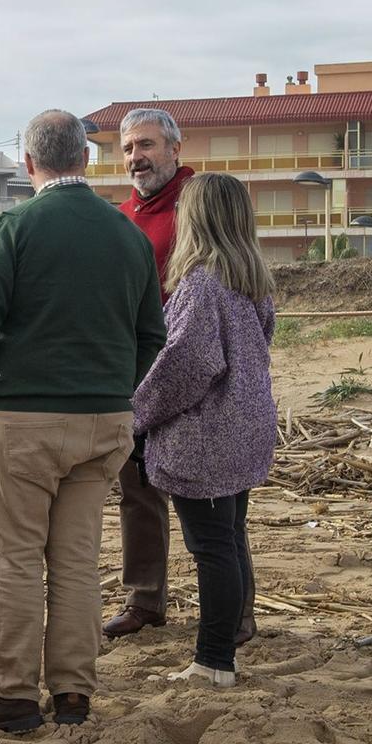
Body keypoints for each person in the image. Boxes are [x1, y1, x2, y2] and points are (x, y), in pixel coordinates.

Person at [0, 110, 165, 732]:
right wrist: (117, 389)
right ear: (88, 160)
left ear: (28, 162)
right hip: (103, 421)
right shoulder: (125, 232)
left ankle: (14, 692)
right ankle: (73, 691)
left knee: (16, 557)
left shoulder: (17, 224)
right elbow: (152, 333)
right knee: (76, 560)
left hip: (25, 416)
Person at [132, 173, 277, 688]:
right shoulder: (250, 279)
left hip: (208, 436)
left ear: (196, 219)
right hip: (246, 425)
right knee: (229, 540)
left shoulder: (201, 284)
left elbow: (188, 363)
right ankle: (224, 649)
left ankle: (214, 661)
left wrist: (137, 412)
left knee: (213, 547)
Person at [102, 107, 197, 642]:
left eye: (147, 145)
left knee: (206, 493)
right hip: (133, 374)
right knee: (137, 491)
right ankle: (145, 599)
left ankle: (233, 608)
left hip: (189, 371)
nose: (136, 157)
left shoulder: (198, 206)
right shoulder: (120, 216)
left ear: (175, 149)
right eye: (128, 148)